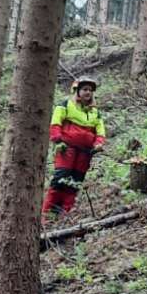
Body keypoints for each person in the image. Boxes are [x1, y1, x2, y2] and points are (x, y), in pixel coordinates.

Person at [43, 76, 106, 220]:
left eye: (90, 90)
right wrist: (57, 140)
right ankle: (46, 213)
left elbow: (100, 130)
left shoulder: (95, 112)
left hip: (86, 152)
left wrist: (98, 144)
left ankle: (65, 213)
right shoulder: (65, 104)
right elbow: (55, 123)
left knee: (76, 181)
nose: (87, 93)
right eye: (84, 89)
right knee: (61, 178)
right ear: (77, 91)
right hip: (67, 148)